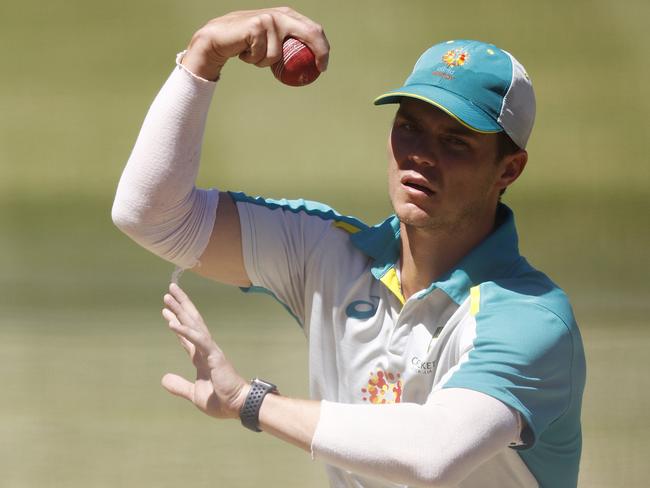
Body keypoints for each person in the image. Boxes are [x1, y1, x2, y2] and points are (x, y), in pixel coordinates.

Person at [112, 7, 586, 488]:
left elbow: (431, 455)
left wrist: (250, 402)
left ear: (509, 170)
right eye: (409, 127)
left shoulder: (530, 318)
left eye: (456, 141)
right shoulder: (329, 251)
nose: (420, 153)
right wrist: (202, 59)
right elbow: (151, 217)